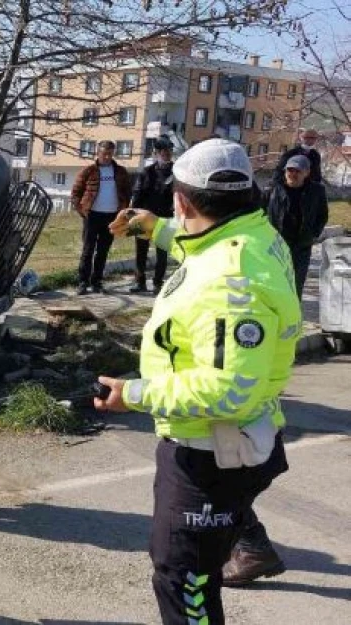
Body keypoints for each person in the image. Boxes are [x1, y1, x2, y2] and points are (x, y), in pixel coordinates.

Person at [97, 139, 299, 625]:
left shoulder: (229, 278)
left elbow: (228, 391)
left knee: (184, 577)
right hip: (237, 440)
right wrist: (156, 229)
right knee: (193, 570)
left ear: (184, 201)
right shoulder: (254, 234)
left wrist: (135, 394)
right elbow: (207, 243)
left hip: (210, 449)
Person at [262, 154, 329, 300]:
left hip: (301, 246)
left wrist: (312, 235)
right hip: (275, 245)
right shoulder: (272, 189)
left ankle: (292, 317)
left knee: (295, 285)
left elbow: (322, 216)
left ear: (307, 173)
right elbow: (259, 213)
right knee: (272, 282)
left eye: (297, 171)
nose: (293, 174)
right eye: (290, 170)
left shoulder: (317, 191)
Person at [71, 140, 133, 295]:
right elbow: (76, 193)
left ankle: (97, 282)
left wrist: (123, 210)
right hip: (92, 216)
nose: (106, 157)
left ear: (113, 154)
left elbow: (127, 192)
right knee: (88, 250)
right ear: (98, 153)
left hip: (112, 216)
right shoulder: (88, 171)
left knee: (103, 251)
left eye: (110, 154)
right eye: (104, 153)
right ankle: (82, 282)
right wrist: (82, 211)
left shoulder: (120, 172)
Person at [128, 140, 175, 295]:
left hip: (165, 218)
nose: (166, 155)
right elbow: (137, 193)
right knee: (140, 251)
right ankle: (139, 281)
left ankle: (158, 283)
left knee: (162, 252)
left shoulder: (177, 173)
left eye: (169, 152)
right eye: (163, 152)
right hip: (144, 216)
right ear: (156, 153)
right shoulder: (146, 172)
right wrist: (132, 214)